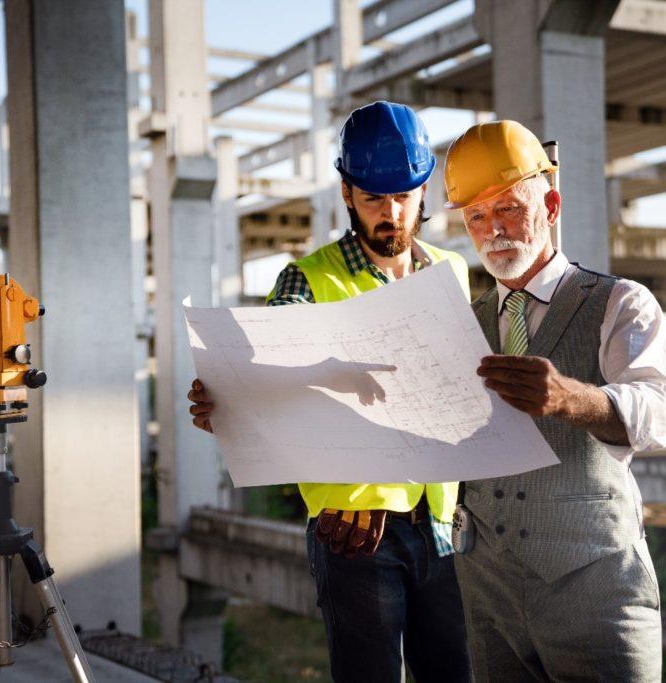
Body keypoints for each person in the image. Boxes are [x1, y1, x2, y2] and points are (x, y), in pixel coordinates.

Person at [188, 101, 473, 683]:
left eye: (404, 198)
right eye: (373, 200)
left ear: (424, 191)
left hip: (443, 525)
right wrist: (233, 396)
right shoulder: (307, 279)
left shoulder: (452, 271)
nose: (391, 215)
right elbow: (267, 363)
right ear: (347, 193)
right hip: (356, 527)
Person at [444, 119, 666, 682]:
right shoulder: (460, 322)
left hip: (595, 588)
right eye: (476, 217)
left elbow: (660, 409)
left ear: (550, 204)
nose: (492, 230)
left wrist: (572, 399)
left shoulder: (621, 302)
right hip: (488, 592)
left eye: (508, 208)